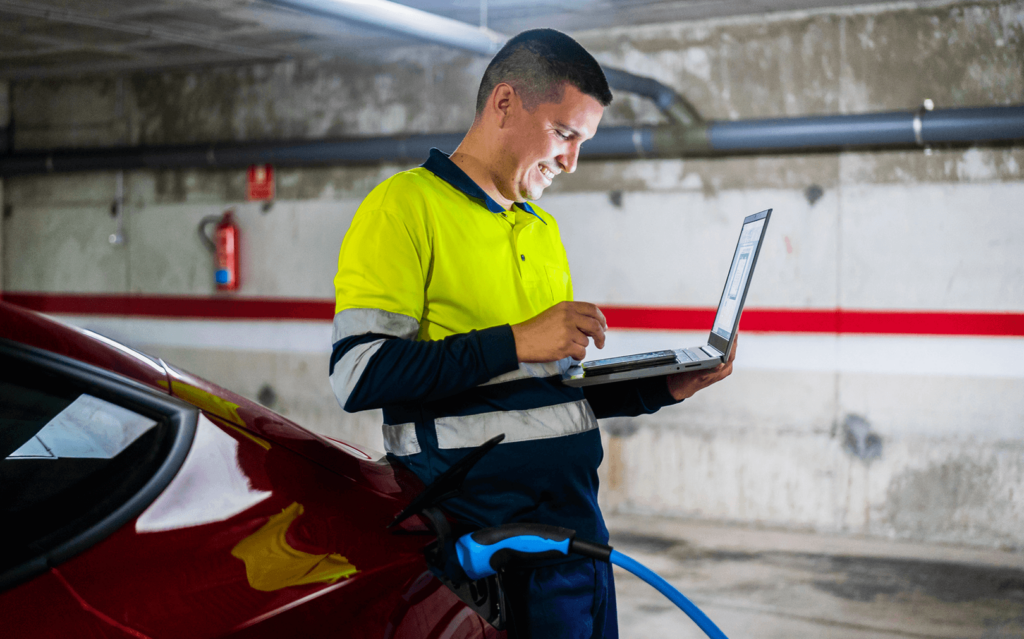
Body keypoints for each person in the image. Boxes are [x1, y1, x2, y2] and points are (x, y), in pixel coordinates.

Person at [329, 28, 735, 638]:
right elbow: (360, 374)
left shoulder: (541, 228)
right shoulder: (404, 207)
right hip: (490, 551)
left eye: (583, 142)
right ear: (504, 103)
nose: (572, 160)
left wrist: (659, 389)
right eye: (565, 134)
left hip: (576, 536)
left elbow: (547, 391)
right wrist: (515, 339)